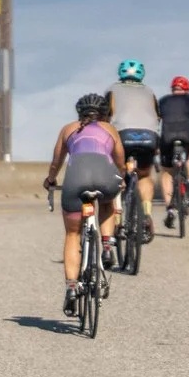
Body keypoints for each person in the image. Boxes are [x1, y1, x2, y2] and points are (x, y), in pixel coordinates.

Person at [43, 92, 125, 311]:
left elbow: (56, 163)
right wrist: (122, 180)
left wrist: (50, 181)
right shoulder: (110, 130)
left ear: (79, 112)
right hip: (105, 178)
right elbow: (120, 163)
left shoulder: (68, 129)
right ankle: (107, 244)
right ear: (104, 113)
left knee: (72, 234)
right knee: (107, 203)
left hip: (75, 180)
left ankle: (71, 286)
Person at [108, 60, 163, 238]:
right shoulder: (150, 92)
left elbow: (106, 115)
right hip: (149, 135)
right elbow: (158, 116)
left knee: (117, 175)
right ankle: (146, 214)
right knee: (145, 175)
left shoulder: (113, 90)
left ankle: (118, 221)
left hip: (123, 135)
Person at [155, 76, 189, 230]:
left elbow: (156, 122)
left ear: (172, 89)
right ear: (187, 89)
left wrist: (157, 144)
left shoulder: (162, 100)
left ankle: (170, 208)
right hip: (186, 135)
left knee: (167, 172)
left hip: (167, 137)